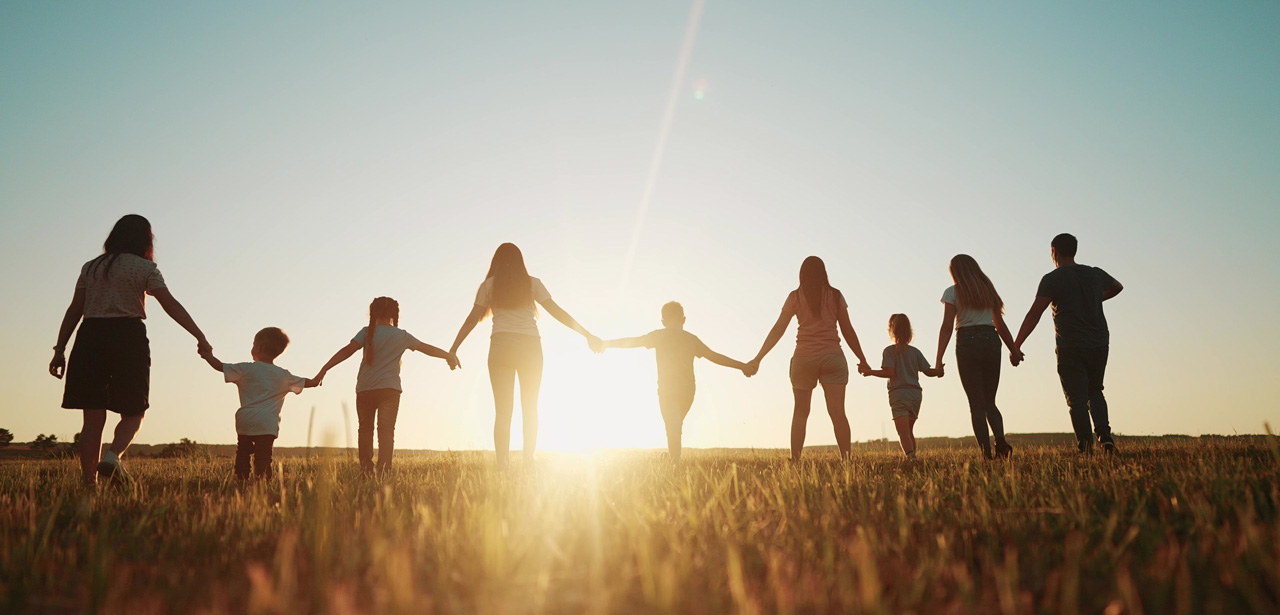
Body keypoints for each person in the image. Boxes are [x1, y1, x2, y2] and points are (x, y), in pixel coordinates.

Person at [49, 214, 211, 486]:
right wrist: (200, 336)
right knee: (135, 410)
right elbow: (171, 305)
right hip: (127, 337)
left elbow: (75, 309)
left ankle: (90, 485)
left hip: (90, 337)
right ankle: (113, 456)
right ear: (145, 240)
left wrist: (60, 348)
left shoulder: (91, 267)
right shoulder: (145, 268)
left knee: (92, 419)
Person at [449, 243, 601, 468]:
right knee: (530, 407)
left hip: (501, 347)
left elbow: (472, 319)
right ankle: (529, 459)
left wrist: (454, 349)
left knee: (503, 411)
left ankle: (503, 464)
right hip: (529, 347)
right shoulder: (532, 283)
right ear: (521, 261)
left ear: (496, 262)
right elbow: (557, 312)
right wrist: (587, 334)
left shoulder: (489, 285)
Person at [746, 256, 869, 461]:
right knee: (838, 413)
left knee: (801, 413)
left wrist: (758, 358)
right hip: (833, 357)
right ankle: (847, 461)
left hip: (804, 359)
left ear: (801, 274)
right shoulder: (836, 295)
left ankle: (796, 460)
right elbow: (847, 330)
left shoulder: (795, 297)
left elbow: (778, 329)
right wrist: (862, 359)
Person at [316, 297, 458, 474]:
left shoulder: (367, 332)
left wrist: (324, 369)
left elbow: (347, 351)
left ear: (372, 313)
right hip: (390, 390)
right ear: (393, 314)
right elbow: (426, 349)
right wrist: (448, 356)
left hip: (365, 389)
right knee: (386, 431)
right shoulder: (402, 336)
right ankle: (384, 471)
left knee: (365, 430)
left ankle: (366, 469)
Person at [1013, 233, 1124, 454]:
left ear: (1054, 251)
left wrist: (1017, 345)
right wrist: (1094, 298)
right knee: (1096, 390)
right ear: (1074, 250)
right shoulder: (1094, 274)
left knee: (1076, 399)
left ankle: (1086, 447)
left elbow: (1035, 313)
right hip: (1099, 341)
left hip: (1070, 345)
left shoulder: (1052, 279)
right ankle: (1105, 437)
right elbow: (1118, 286)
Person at [601, 301, 752, 462]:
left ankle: (673, 464)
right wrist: (742, 366)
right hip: (688, 392)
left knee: (673, 428)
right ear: (684, 319)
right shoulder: (691, 339)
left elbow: (633, 342)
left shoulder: (659, 335)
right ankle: (672, 460)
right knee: (675, 428)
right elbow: (713, 356)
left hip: (668, 391)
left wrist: (606, 344)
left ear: (663, 322)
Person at [199, 327, 319, 480]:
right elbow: (308, 383)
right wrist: (318, 378)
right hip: (267, 423)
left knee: (243, 451)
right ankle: (262, 482)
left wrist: (207, 355)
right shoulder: (284, 376)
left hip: (246, 420)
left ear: (259, 347)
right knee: (263, 456)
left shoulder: (245, 369)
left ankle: (242, 479)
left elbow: (219, 366)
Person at [934, 255, 1020, 460]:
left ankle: (986, 454)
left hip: (967, 342)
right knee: (990, 400)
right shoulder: (987, 290)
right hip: (991, 340)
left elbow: (947, 328)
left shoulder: (952, 292)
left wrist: (938, 361)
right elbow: (1000, 325)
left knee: (976, 404)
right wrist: (1014, 350)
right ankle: (1000, 441)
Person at [861, 314, 943, 461]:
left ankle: (911, 458)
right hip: (915, 394)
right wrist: (938, 371)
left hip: (899, 393)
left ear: (891, 330)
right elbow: (928, 371)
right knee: (909, 431)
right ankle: (912, 457)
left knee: (903, 432)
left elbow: (889, 372)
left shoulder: (889, 351)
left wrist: (870, 372)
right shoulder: (915, 352)